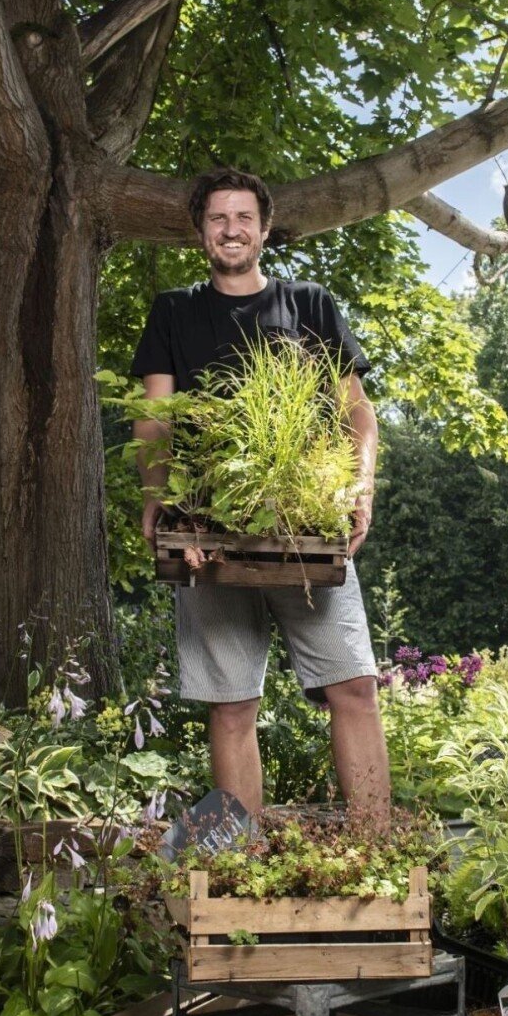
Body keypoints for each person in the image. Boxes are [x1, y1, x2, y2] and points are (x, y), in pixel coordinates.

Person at [129, 167, 390, 828]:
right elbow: (153, 417)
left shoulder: (310, 305)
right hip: (209, 528)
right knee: (232, 702)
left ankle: (377, 850)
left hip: (306, 529)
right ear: (200, 233)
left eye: (244, 217)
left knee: (354, 687)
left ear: (265, 229)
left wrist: (359, 487)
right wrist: (158, 499)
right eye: (217, 218)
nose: (231, 229)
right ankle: (241, 869)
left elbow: (358, 416)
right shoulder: (175, 311)